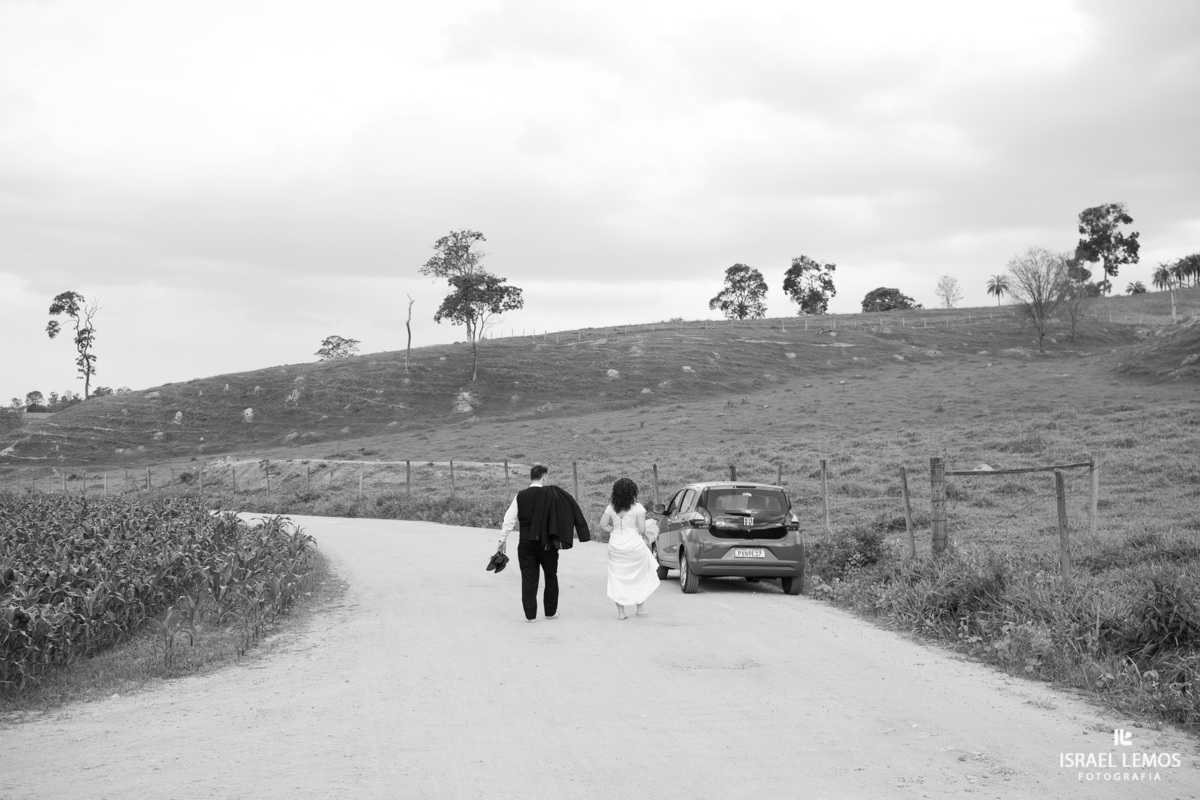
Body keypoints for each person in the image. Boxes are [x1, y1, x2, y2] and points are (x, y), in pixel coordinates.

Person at [497, 464, 591, 622]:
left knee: (528, 578)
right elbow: (566, 510)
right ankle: (550, 612)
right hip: (548, 543)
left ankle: (530, 616)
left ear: (531, 477)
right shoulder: (553, 495)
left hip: (526, 542)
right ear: (544, 477)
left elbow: (509, 519)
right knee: (551, 576)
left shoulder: (520, 495)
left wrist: (502, 540)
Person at [598, 478, 659, 620]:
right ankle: (640, 608)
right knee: (640, 576)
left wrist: (614, 530)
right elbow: (642, 529)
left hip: (616, 546)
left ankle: (621, 612)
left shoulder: (611, 507)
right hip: (633, 545)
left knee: (617, 577)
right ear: (633, 491)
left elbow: (602, 524)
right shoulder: (638, 507)